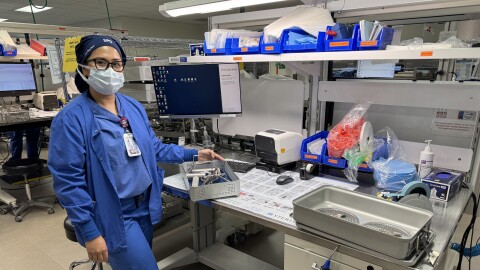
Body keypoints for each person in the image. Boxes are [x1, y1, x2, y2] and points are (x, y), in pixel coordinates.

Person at [48, 35, 224, 270]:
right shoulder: (71, 119)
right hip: (113, 213)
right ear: (84, 68)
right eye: (101, 62)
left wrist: (194, 155)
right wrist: (90, 232)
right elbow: (68, 183)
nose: (110, 69)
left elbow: (153, 147)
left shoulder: (132, 106)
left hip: (146, 205)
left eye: (117, 62)